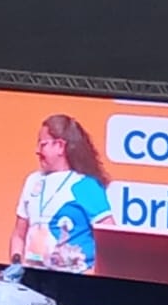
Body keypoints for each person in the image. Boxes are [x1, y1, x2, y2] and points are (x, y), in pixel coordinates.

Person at [9, 114, 113, 273]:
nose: (37, 151)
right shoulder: (32, 181)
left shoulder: (85, 185)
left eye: (42, 144)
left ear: (60, 146)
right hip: (35, 280)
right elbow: (18, 233)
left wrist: (93, 276)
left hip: (75, 282)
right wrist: (16, 262)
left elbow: (110, 240)